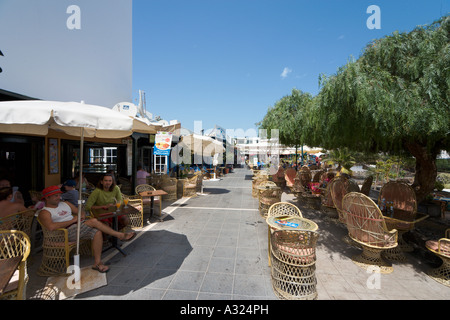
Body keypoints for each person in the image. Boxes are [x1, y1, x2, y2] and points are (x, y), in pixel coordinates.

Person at [38, 185, 136, 273]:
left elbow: (80, 211)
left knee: (97, 232)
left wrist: (82, 216)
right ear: (47, 198)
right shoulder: (45, 212)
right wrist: (73, 221)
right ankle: (120, 235)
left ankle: (97, 263)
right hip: (64, 233)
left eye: (59, 195)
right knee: (93, 221)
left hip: (78, 227)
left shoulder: (65, 203)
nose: (59, 197)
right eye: (56, 196)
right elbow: (51, 227)